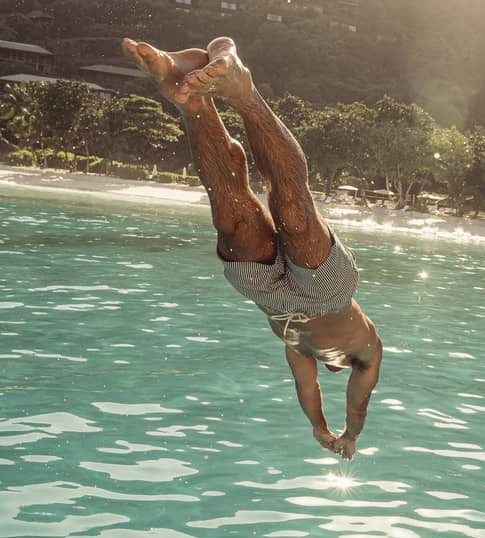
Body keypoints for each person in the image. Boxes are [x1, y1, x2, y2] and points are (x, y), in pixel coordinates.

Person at [122, 36, 383, 460]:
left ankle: (193, 103)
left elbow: (307, 389)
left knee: (233, 219)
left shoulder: (298, 348)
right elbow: (358, 404)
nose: (331, 369)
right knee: (294, 213)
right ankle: (243, 92)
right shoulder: (366, 353)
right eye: (336, 370)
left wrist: (319, 427)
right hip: (328, 293)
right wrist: (349, 436)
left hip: (273, 300)